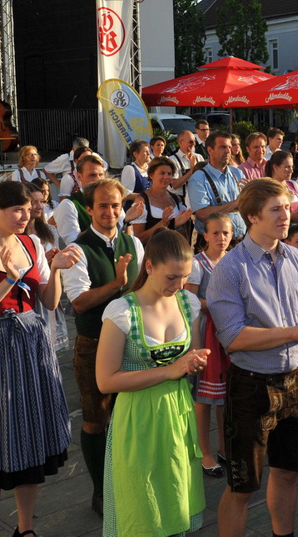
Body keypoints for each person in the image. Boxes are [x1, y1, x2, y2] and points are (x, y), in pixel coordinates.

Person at [206, 178, 298, 537]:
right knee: (242, 485)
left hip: (296, 381)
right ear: (252, 216)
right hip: (250, 386)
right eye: (276, 209)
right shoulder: (230, 269)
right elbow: (233, 338)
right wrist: (297, 332)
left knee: (288, 473)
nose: (287, 215)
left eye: (287, 207)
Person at [0, 181, 79, 537]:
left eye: (28, 209)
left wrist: (56, 270)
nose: (26, 216)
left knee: (30, 437)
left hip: (30, 344)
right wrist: (8, 279)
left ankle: (25, 529)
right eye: (17, 210)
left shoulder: (32, 242)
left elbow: (49, 303)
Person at [96, 229, 210, 537]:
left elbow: (192, 360)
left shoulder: (188, 303)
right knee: (142, 506)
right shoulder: (122, 311)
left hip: (178, 413)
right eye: (172, 277)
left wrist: (195, 363)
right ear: (149, 267)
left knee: (174, 496)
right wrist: (171, 370)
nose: (179, 285)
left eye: (184, 277)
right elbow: (105, 381)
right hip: (137, 418)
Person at [61, 177, 145, 516]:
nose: (110, 211)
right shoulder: (77, 249)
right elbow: (79, 303)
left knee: (131, 416)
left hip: (134, 344)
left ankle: (128, 480)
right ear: (89, 209)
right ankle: (101, 489)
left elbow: (141, 289)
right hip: (93, 343)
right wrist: (116, 284)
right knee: (96, 418)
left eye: (116, 205)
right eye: (103, 206)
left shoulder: (133, 243)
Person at [186, 214, 234, 479]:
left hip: (229, 329)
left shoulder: (233, 260)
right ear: (205, 236)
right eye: (216, 233)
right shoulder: (198, 264)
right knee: (204, 397)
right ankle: (203, 451)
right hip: (206, 332)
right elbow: (191, 299)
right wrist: (219, 303)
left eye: (225, 233)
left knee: (226, 394)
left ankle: (225, 447)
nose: (221, 238)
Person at [25, 183, 68, 352]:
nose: (38, 206)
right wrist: (42, 260)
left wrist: (53, 261)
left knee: (50, 347)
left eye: (41, 201)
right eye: (33, 202)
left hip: (49, 288)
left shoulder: (49, 230)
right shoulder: (17, 234)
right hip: (29, 294)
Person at [187, 130, 247, 240]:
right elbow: (203, 214)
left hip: (241, 240)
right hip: (213, 246)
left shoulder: (238, 173)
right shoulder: (198, 178)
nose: (228, 151)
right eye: (222, 147)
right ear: (210, 150)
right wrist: (236, 203)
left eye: (229, 147)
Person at [129, 157, 194, 243]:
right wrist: (163, 224)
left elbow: (184, 233)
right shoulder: (142, 201)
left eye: (169, 173)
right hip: (154, 253)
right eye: (162, 173)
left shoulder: (176, 199)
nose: (166, 177)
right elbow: (139, 239)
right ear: (152, 175)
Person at [54, 152, 106, 246]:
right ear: (79, 176)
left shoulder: (110, 201)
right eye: (92, 175)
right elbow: (73, 243)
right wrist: (102, 225)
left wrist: (127, 221)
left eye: (101, 174)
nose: (98, 179)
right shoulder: (68, 205)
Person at [265, 149, 298, 224]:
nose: (291, 171)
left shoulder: (293, 185)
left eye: (292, 167)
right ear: (275, 167)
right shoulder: (267, 188)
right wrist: (291, 216)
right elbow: (266, 215)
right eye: (287, 167)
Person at [170, 130, 203, 207]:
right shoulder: (172, 160)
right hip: (180, 202)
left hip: (198, 199)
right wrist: (192, 170)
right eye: (191, 142)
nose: (194, 144)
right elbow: (175, 185)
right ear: (181, 142)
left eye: (195, 141)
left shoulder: (199, 157)